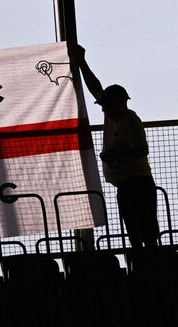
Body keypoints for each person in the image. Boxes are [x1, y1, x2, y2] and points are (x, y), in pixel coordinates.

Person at [72, 45, 159, 248]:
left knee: (144, 233)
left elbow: (141, 151)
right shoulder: (114, 117)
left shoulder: (130, 121)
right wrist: (82, 63)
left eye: (105, 105)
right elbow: (96, 89)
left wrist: (115, 159)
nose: (102, 108)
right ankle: (147, 268)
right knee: (138, 233)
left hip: (137, 184)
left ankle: (151, 270)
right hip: (128, 184)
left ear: (119, 104)